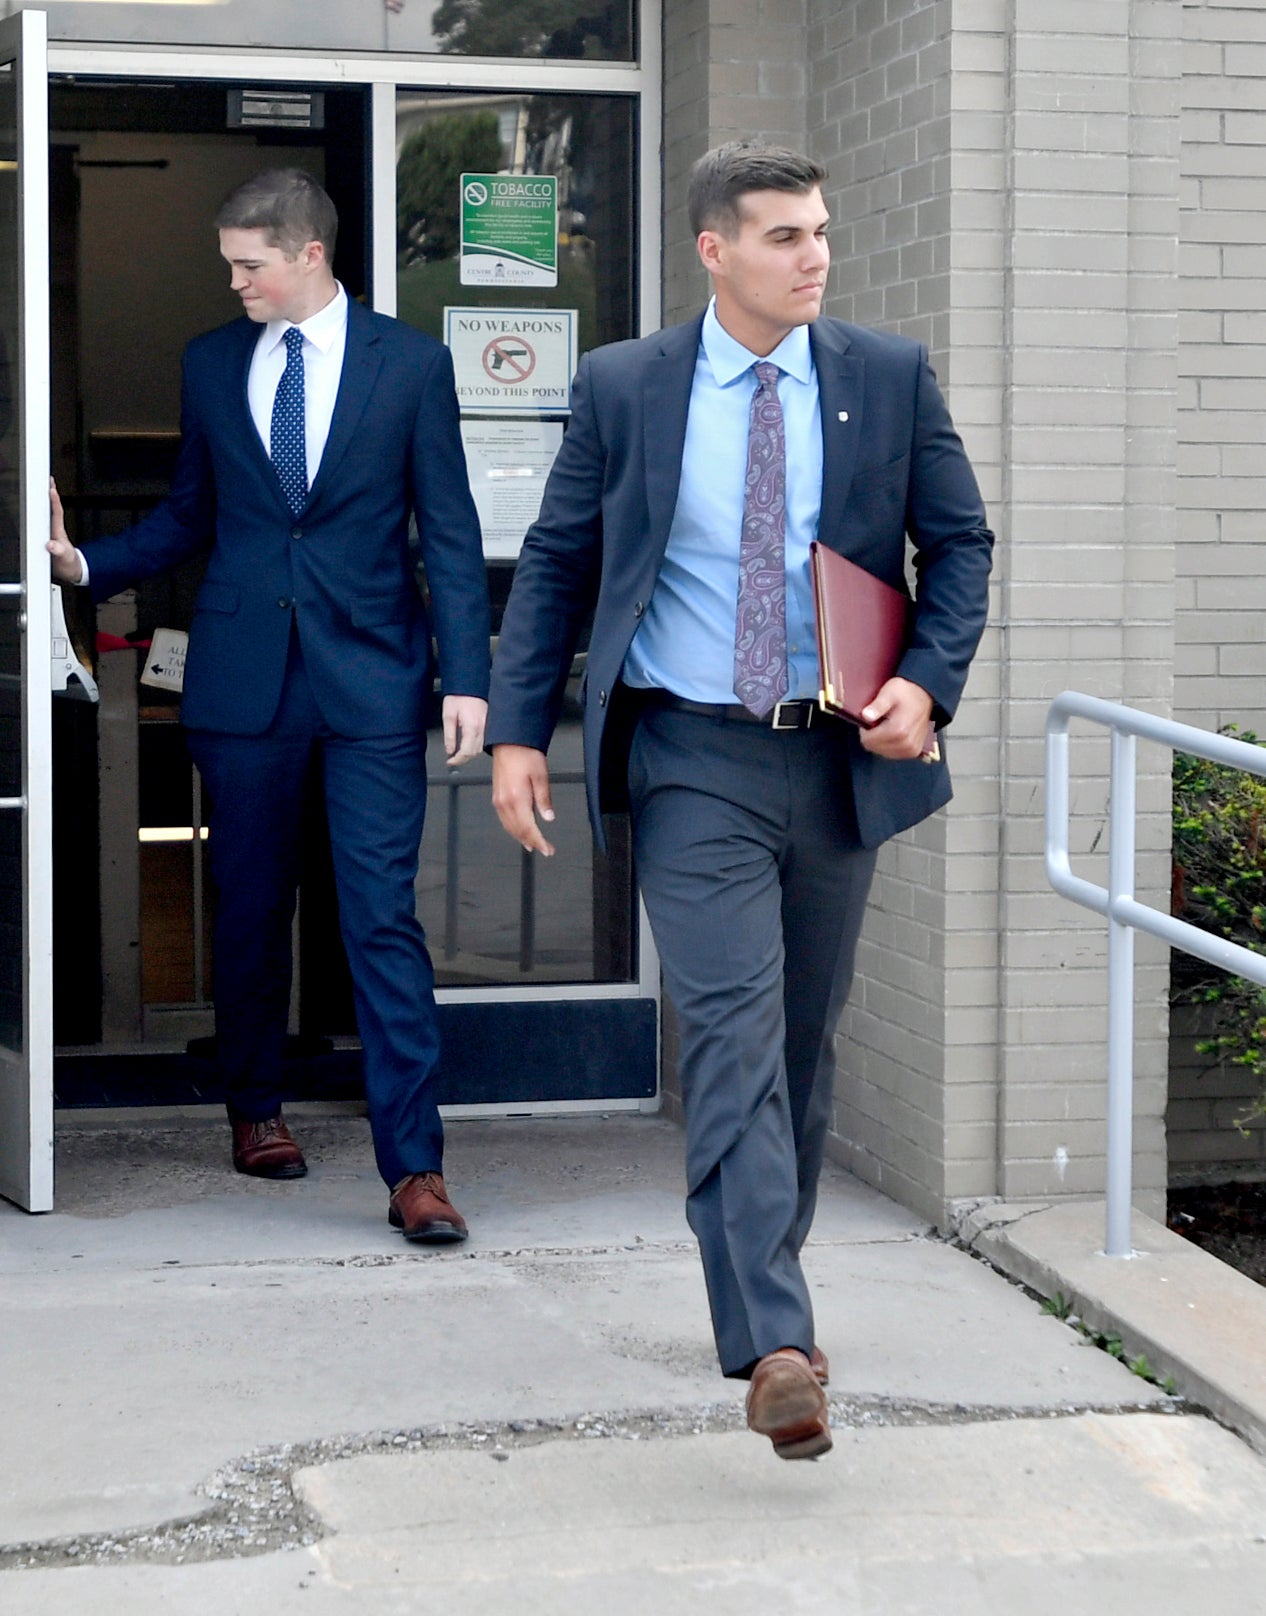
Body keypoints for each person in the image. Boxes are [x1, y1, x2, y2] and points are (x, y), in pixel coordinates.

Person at [486, 142, 993, 1458]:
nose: (812, 255)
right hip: (691, 755)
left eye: (819, 231)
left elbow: (959, 548)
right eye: (781, 235)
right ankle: (772, 1338)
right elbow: (556, 559)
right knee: (725, 1028)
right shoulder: (625, 386)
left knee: (800, 1045)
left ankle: (775, 1281)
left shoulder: (882, 376)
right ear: (714, 249)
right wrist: (517, 732)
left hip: (831, 757)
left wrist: (926, 688)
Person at [49, 169, 489, 1244]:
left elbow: (452, 530)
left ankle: (416, 1165)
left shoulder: (411, 364)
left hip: (374, 682)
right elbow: (191, 513)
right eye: (229, 264)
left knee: (381, 916)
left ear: (308, 255)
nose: (233, 281)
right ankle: (255, 1110)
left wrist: (469, 676)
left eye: (247, 263)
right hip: (243, 679)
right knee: (248, 905)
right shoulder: (209, 362)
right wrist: (81, 561)